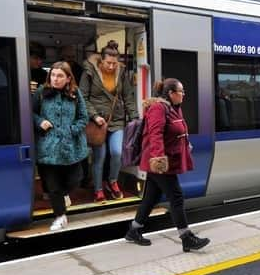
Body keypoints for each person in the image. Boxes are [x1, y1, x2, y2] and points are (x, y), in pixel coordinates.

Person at [125, 78, 210, 252]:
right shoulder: (159, 108)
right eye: (181, 91)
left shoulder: (172, 108)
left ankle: (134, 230)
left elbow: (177, 132)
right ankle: (187, 238)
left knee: (151, 197)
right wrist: (158, 160)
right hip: (159, 162)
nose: (184, 95)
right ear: (171, 93)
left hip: (164, 160)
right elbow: (155, 134)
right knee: (176, 196)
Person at [32, 61, 89, 231]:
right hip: (48, 146)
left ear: (68, 78)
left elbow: (83, 117)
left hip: (72, 146)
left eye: (60, 76)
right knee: (53, 186)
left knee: (76, 179)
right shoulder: (42, 92)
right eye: (53, 75)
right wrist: (40, 121)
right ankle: (60, 216)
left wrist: (73, 130)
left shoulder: (75, 93)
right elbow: (31, 112)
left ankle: (64, 195)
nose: (55, 79)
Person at [80, 40, 139, 202]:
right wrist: (94, 116)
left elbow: (128, 97)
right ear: (101, 60)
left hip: (116, 120)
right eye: (108, 63)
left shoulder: (121, 73)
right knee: (100, 157)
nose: (112, 66)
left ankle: (113, 181)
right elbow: (82, 97)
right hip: (97, 122)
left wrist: (135, 118)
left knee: (117, 153)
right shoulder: (89, 72)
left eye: (115, 63)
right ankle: (98, 189)